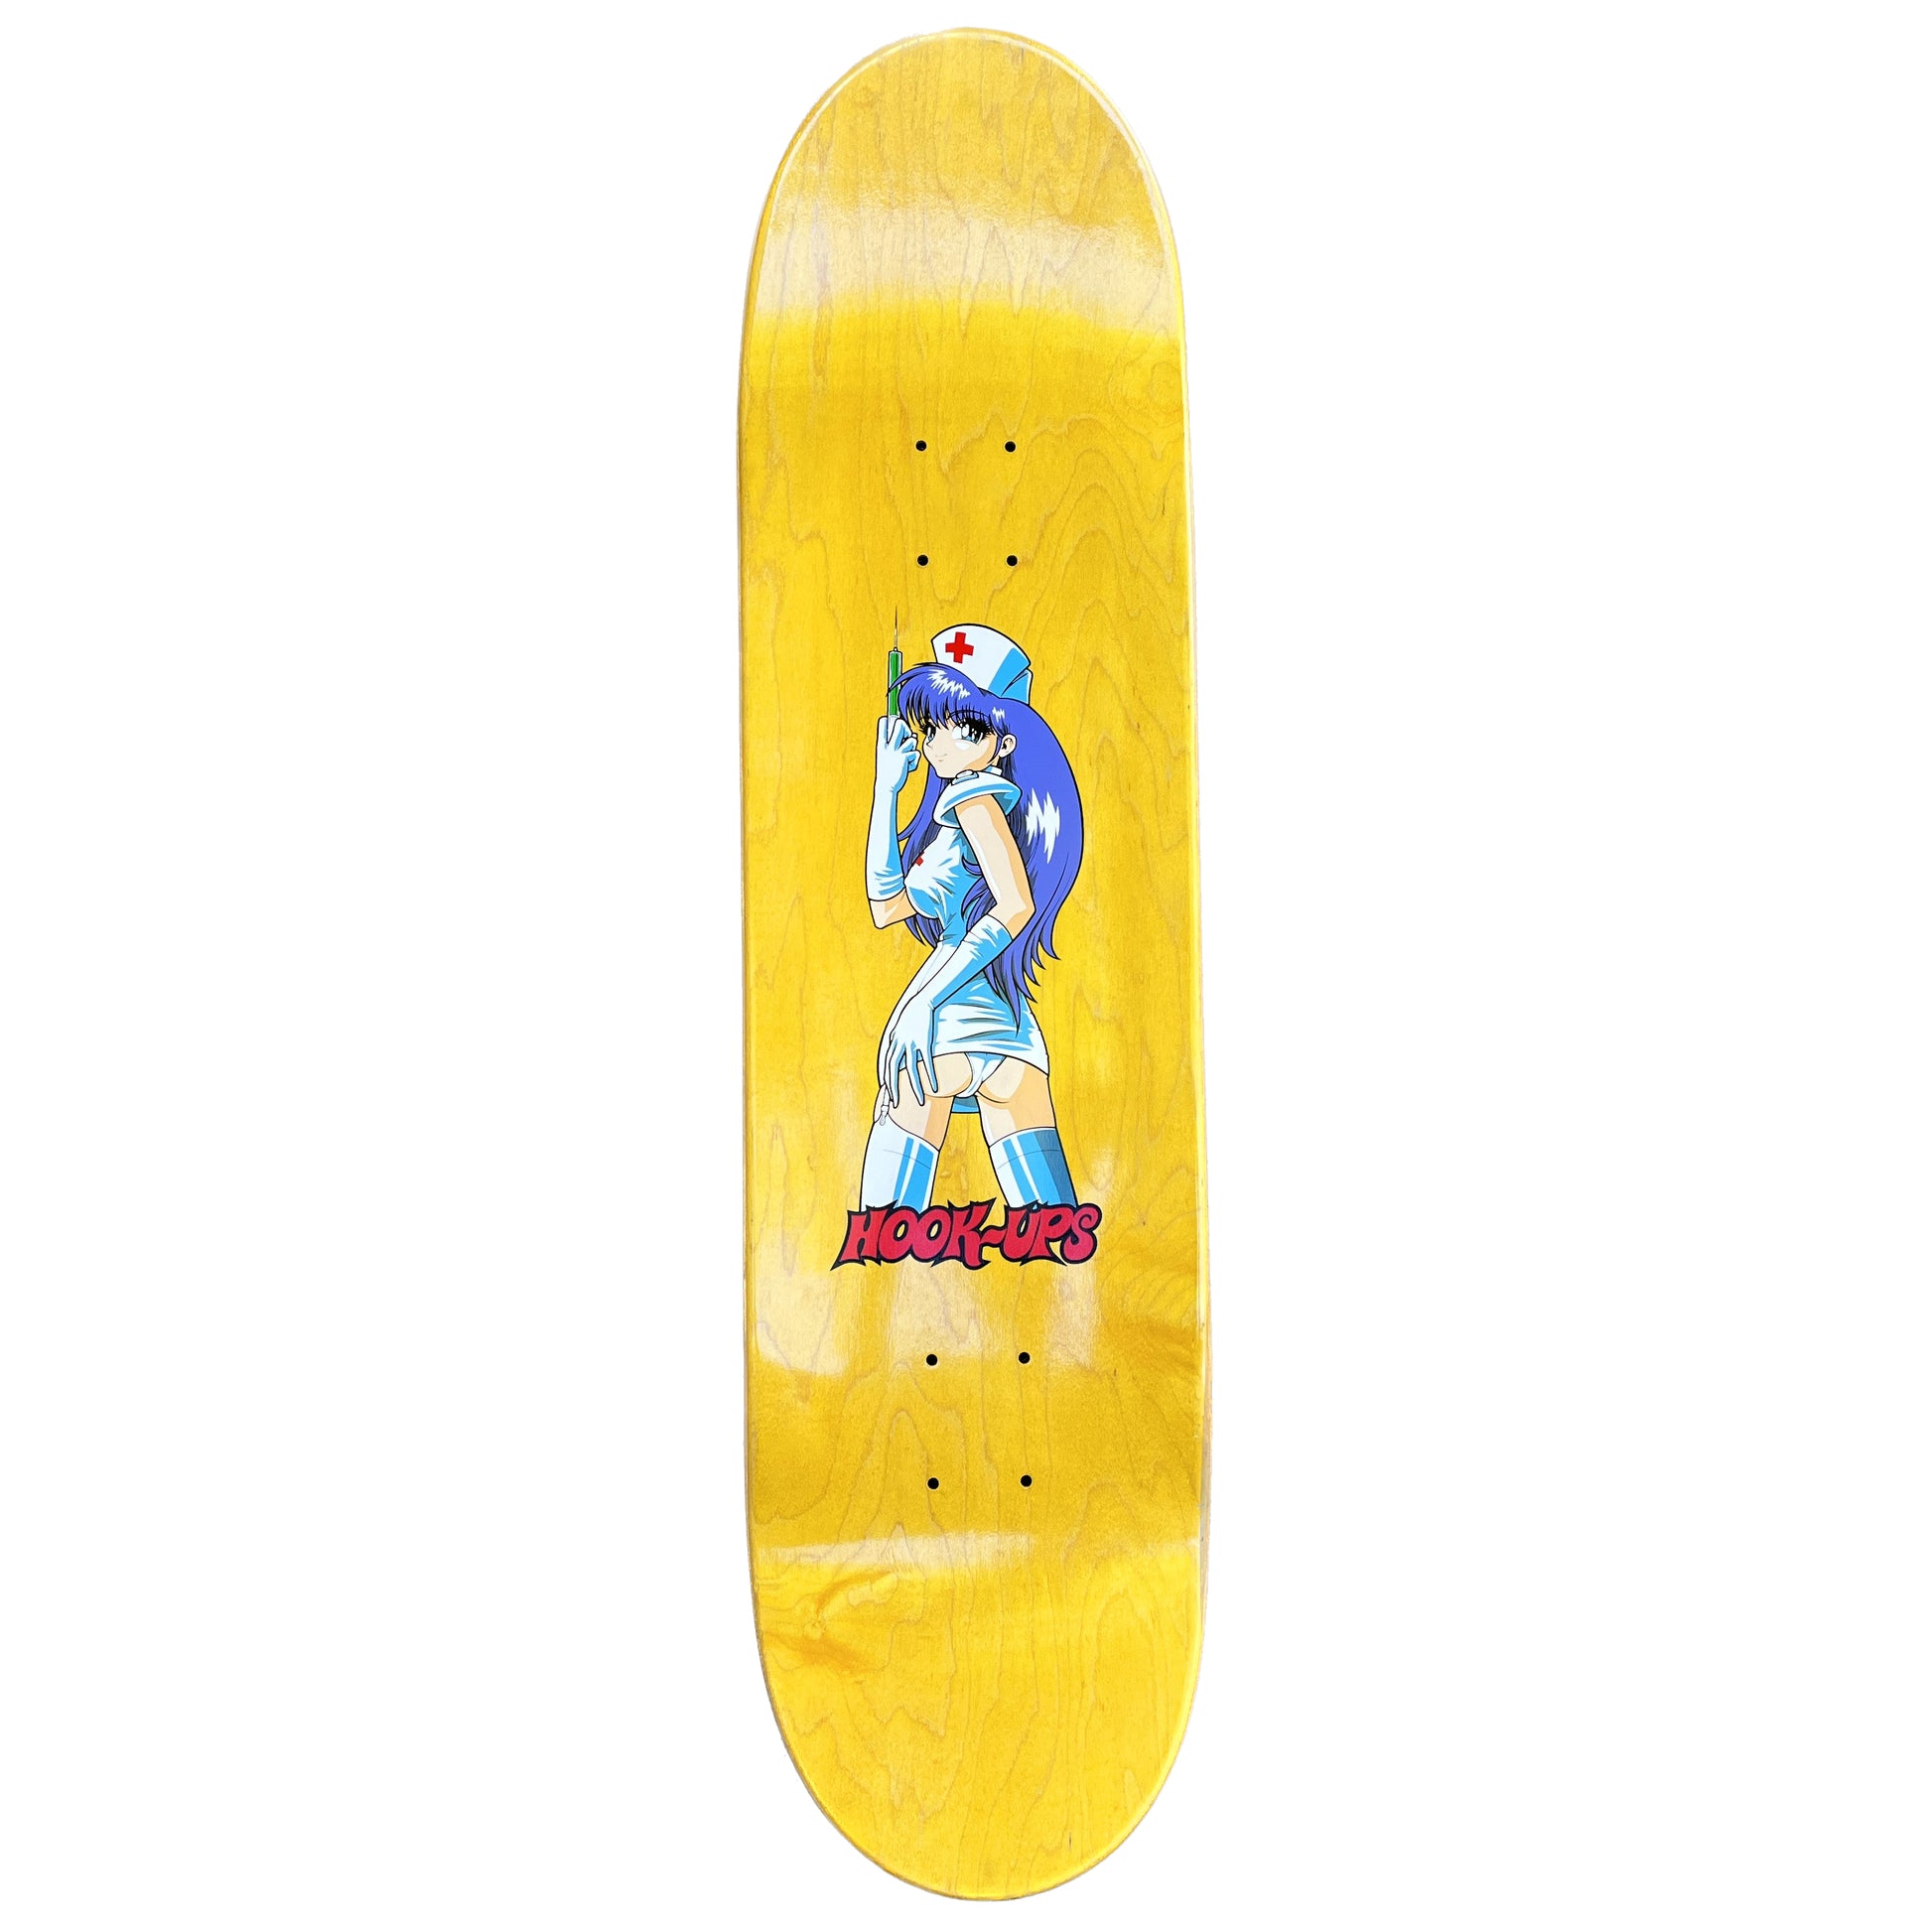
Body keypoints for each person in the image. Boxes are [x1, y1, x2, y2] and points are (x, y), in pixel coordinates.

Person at [859, 623, 1084, 1211]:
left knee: (884, 1233)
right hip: (1008, 1031)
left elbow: (1014, 905)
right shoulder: (956, 820)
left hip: (943, 1027)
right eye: (932, 727)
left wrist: (923, 1003)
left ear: (1002, 742)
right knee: (1055, 1227)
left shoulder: (975, 801)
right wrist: (887, 787)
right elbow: (886, 905)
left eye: (966, 727)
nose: (938, 743)